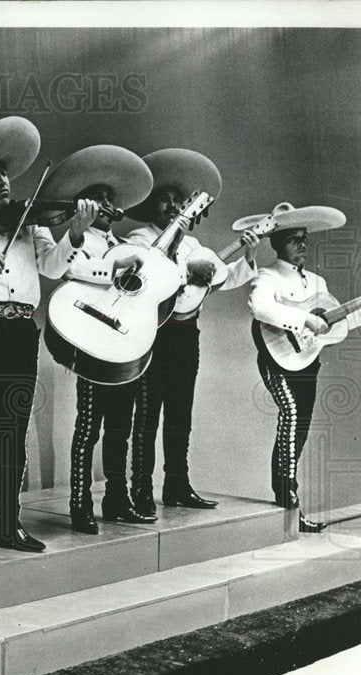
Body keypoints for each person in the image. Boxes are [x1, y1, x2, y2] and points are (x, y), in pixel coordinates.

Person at [0, 118, 125, 559]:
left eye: (5, 175)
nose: (3, 183)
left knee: (13, 434)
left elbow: (53, 267)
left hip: (19, 332)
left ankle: (8, 525)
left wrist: (73, 231)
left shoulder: (31, 227)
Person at [124, 149, 260, 516]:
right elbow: (145, 277)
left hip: (186, 335)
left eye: (177, 199)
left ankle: (177, 485)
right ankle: (140, 488)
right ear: (152, 206)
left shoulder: (195, 246)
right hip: (153, 336)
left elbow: (222, 279)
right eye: (164, 199)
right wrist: (186, 271)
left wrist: (244, 255)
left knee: (180, 414)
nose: (171, 205)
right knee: (148, 415)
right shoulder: (139, 239)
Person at [36, 145, 156, 534]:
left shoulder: (123, 244)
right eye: (99, 198)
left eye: (109, 199)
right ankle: (79, 504)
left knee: (122, 425)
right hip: (91, 344)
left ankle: (117, 500)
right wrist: (109, 265)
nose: (106, 204)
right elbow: (66, 271)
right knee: (89, 427)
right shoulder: (79, 240)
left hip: (121, 344)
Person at [242, 202, 361, 532]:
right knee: (292, 416)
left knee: (300, 429)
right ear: (277, 243)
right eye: (293, 239)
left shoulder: (316, 281)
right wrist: (304, 319)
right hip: (277, 360)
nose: (302, 244)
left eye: (304, 238)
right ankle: (288, 502)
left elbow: (335, 323)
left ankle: (288, 509)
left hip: (308, 361)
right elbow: (260, 307)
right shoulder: (267, 275)